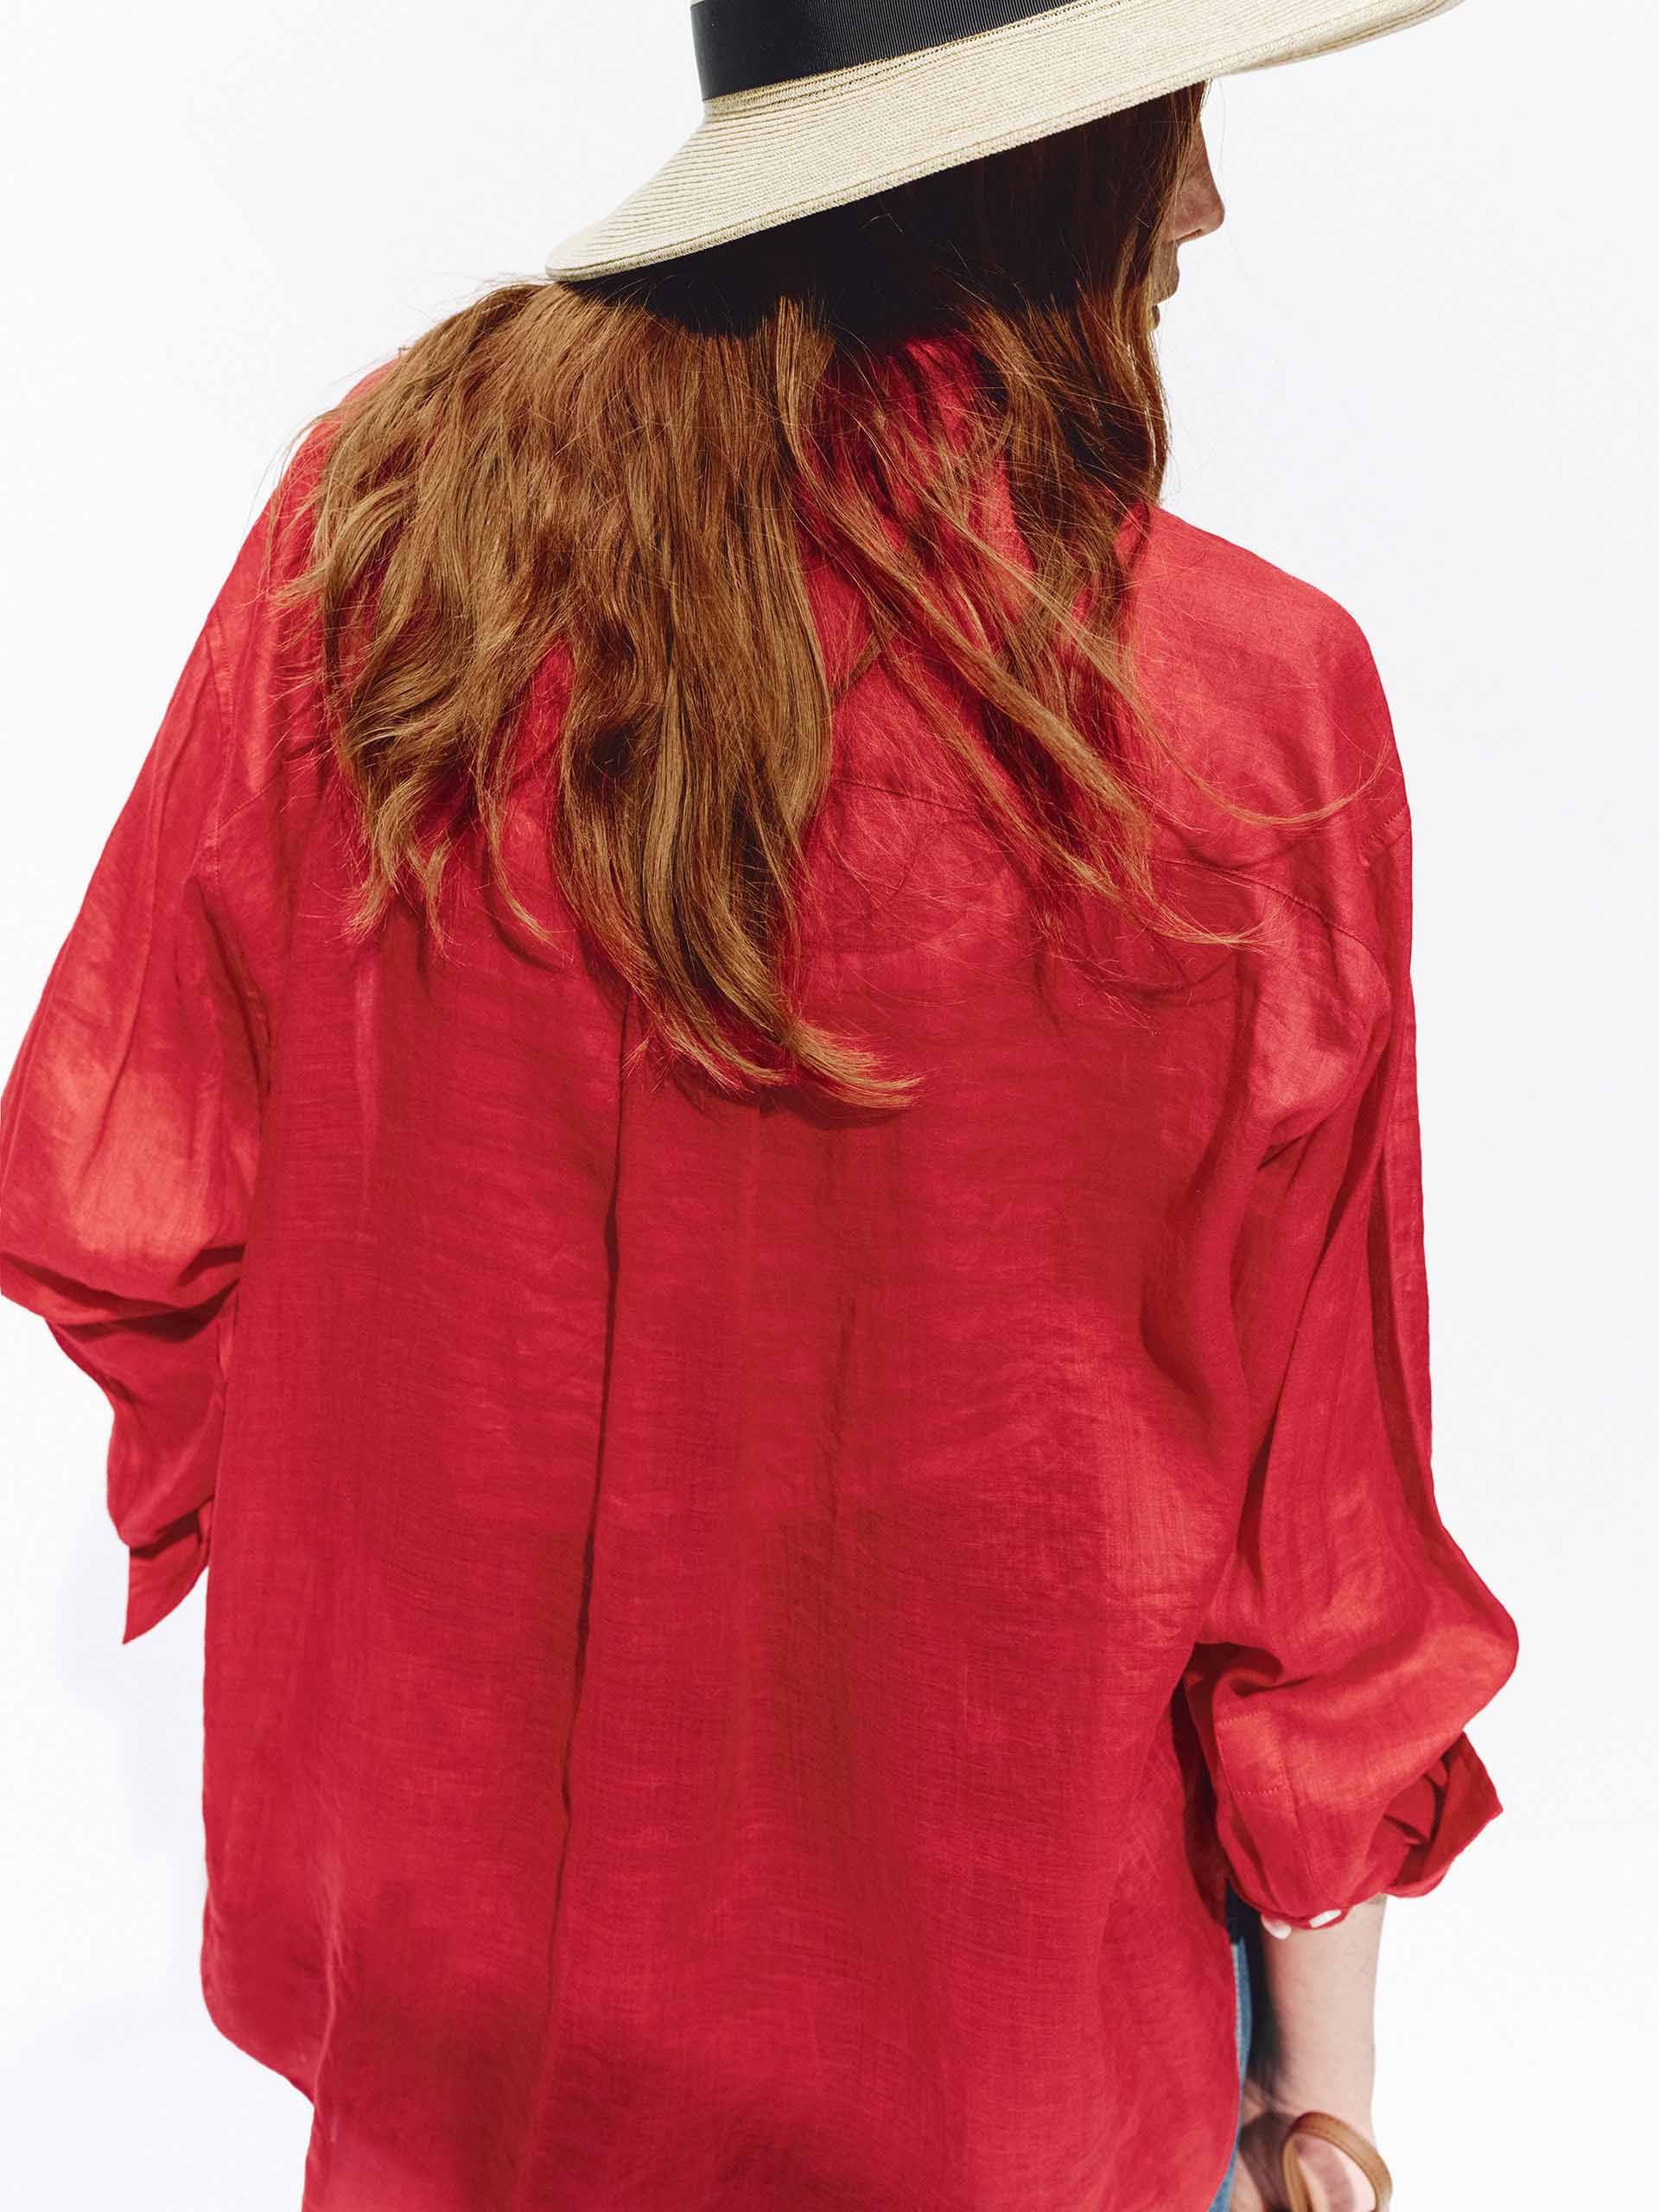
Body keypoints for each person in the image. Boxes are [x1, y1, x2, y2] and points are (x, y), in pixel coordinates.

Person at [0, 4, 1517, 2209]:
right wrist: (1321, 2097)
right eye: (1164, 123)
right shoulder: (1247, 715)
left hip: (462, 2046)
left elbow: (121, 1201)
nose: (1201, 200)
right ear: (1026, 160)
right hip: (997, 2063)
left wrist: (421, 1565)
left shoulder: (390, 541)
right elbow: (1323, 1550)